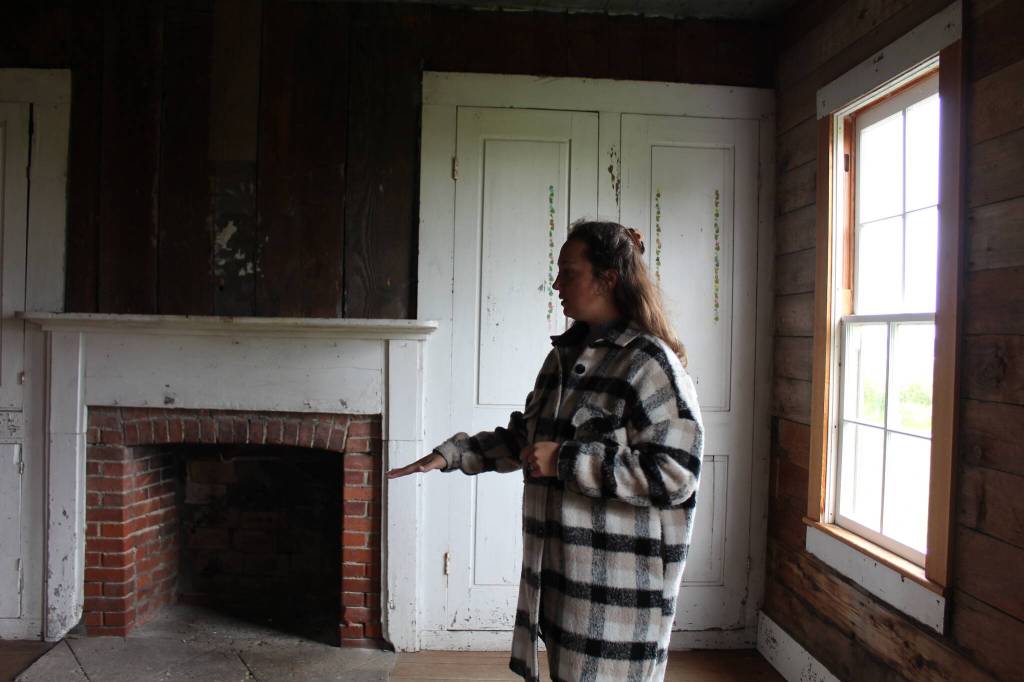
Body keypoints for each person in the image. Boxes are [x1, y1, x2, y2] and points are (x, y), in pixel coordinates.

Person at [387, 220, 704, 682]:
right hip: (562, 584)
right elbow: (527, 440)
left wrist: (566, 461)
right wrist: (453, 455)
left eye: (568, 273)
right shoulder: (563, 358)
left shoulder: (650, 363)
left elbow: (676, 474)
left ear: (608, 279)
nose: (556, 284)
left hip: (617, 597)